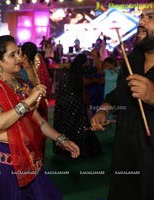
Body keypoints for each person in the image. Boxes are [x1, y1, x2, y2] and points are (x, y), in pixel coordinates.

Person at [0, 35, 80, 200]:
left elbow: (39, 121)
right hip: (0, 160)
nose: (19, 58)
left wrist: (62, 139)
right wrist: (27, 102)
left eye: (18, 52)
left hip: (27, 156)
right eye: (12, 55)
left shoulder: (20, 84)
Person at [90, 8, 154, 200]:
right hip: (125, 156)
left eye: (150, 17)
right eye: (141, 17)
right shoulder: (132, 59)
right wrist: (104, 109)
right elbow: (119, 94)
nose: (141, 22)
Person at [53, 53, 102, 158]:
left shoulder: (67, 70)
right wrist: (95, 57)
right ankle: (80, 148)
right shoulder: (81, 70)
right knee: (79, 125)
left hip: (62, 102)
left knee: (64, 125)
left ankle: (63, 148)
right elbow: (98, 70)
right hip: (74, 102)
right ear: (84, 62)